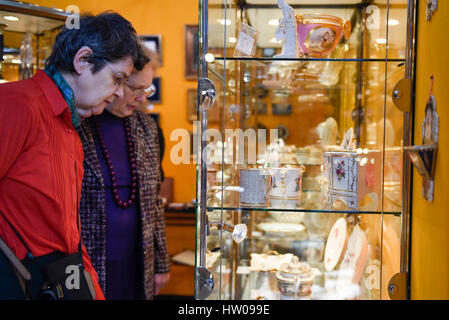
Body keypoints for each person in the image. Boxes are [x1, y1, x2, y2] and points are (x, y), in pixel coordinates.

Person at [0, 12, 146, 300]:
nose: (119, 93)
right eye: (117, 79)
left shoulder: (70, 126)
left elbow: (69, 235)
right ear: (83, 60)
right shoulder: (18, 103)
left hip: (60, 275)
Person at [77, 46, 170, 300]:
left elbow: (154, 204)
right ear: (115, 82)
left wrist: (161, 264)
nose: (142, 99)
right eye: (135, 89)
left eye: (147, 90)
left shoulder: (148, 128)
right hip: (88, 266)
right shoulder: (78, 125)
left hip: (138, 264)